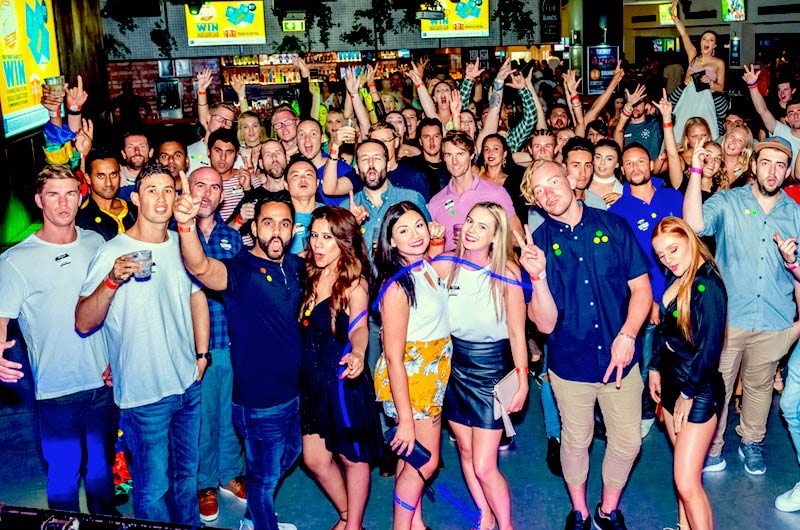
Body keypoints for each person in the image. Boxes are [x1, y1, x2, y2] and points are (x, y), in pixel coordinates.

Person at [520, 160, 652, 530]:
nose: (549, 193)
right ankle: (578, 512)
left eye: (553, 182)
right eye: (539, 190)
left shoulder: (614, 225)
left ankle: (607, 511)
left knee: (627, 443)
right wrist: (539, 276)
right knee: (576, 442)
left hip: (621, 362)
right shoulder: (538, 245)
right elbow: (544, 323)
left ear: (571, 179)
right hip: (570, 364)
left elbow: (641, 289)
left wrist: (627, 335)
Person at [75, 162, 209, 525]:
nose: (162, 198)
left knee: (187, 480)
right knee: (152, 490)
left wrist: (201, 356)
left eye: (169, 190)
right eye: (152, 190)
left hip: (187, 385)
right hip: (144, 394)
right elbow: (83, 321)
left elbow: (198, 296)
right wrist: (111, 281)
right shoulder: (112, 252)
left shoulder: (184, 243)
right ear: (134, 198)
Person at [175, 190, 303, 530]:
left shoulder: (295, 266)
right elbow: (201, 267)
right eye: (268, 223)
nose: (276, 232)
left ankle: (250, 521)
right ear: (254, 227)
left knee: (290, 454)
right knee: (262, 480)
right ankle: (263, 526)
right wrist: (186, 227)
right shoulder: (240, 270)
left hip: (293, 393)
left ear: (293, 230)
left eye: (284, 224)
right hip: (259, 402)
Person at [0, 165, 117, 515]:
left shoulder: (96, 243)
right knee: (64, 477)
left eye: (70, 193)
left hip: (103, 381)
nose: (63, 202)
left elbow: (112, 307)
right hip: (56, 390)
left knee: (101, 472)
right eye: (53, 194)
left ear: (80, 198)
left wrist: (120, 357)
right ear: (39, 200)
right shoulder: (16, 260)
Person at [683, 137, 800, 475]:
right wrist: (695, 170)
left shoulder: (794, 214)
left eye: (780, 164)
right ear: (753, 165)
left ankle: (752, 442)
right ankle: (713, 446)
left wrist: (792, 262)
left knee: (760, 387)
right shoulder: (728, 201)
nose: (772, 170)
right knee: (718, 384)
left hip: (774, 317)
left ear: (787, 171)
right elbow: (694, 225)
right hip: (729, 317)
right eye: (766, 162)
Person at [434, 202, 529, 530]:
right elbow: (410, 283)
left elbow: (518, 332)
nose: (472, 230)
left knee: (485, 464)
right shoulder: (447, 265)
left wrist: (522, 380)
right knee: (464, 449)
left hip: (493, 371)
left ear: (495, 236)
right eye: (470, 221)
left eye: (482, 226)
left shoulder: (508, 274)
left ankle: (506, 525)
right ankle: (484, 514)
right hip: (455, 367)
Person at [299, 206, 383, 530]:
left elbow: (359, 327)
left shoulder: (354, 282)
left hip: (342, 378)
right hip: (312, 380)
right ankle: (349, 513)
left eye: (328, 238)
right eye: (315, 236)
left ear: (344, 241)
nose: (319, 244)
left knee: (352, 457)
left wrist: (359, 353)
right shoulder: (310, 272)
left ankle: (353, 525)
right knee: (315, 458)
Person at [373, 201, 451, 530]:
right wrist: (404, 419)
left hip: (430, 375)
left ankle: (415, 523)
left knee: (412, 460)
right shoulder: (397, 286)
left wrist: (437, 238)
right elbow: (393, 355)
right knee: (427, 461)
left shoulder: (425, 267)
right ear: (391, 242)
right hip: (412, 381)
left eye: (419, 225)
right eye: (403, 230)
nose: (414, 234)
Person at [649, 216, 726, 530]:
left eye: (674, 250)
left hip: (697, 389)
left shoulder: (707, 285)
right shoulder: (676, 275)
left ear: (690, 240)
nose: (669, 259)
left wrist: (686, 394)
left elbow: (709, 352)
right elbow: (663, 329)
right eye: (662, 255)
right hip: (670, 381)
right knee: (686, 477)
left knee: (686, 481)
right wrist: (654, 366)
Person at [186, 168, 247, 522]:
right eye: (200, 186)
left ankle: (229, 474)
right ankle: (204, 482)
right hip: (196, 347)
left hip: (231, 339)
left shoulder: (232, 237)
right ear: (189, 191)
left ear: (222, 195)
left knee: (229, 413)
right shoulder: (177, 235)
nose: (207, 193)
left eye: (214, 187)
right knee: (202, 418)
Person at [333, 139, 429, 256]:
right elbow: (339, 255)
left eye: (377, 158)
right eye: (364, 159)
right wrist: (351, 226)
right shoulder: (345, 208)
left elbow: (429, 245)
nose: (371, 164)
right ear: (357, 169)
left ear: (388, 166)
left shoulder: (412, 198)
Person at [428, 131, 522, 251]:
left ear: (471, 155)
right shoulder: (436, 202)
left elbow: (517, 237)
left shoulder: (496, 193)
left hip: (487, 267)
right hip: (450, 267)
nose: (454, 161)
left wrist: (482, 240)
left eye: (460, 154)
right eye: (449, 155)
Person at [77, 149, 136, 241]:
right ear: (88, 178)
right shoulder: (81, 219)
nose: (109, 183)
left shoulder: (136, 210)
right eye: (101, 176)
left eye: (113, 175)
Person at [188, 102, 238, 174]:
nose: (223, 124)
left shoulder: (235, 154)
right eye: (219, 119)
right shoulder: (189, 152)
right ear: (208, 118)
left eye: (228, 122)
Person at [589, 139, 624, 206]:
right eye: (598, 157)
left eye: (609, 159)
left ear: (617, 164)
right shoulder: (581, 183)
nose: (602, 163)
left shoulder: (622, 192)